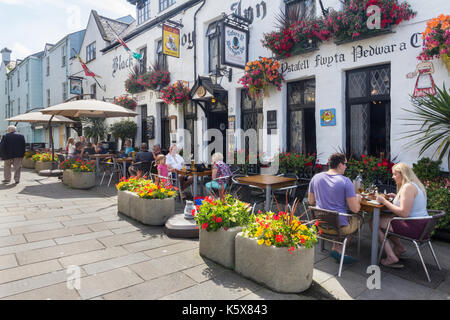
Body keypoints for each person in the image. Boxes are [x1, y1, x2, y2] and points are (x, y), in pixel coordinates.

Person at [308, 152, 362, 263]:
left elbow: (311, 201)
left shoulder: (316, 178)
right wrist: (358, 199)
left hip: (321, 225)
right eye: (345, 164)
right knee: (359, 219)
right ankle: (341, 249)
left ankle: (335, 248)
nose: (346, 167)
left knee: (338, 216)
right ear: (339, 165)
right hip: (339, 227)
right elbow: (355, 209)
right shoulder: (345, 181)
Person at [374, 163, 429, 268]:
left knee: (374, 222)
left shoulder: (407, 187)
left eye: (395, 174)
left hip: (415, 227)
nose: (393, 177)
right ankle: (399, 247)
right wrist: (397, 197)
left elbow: (404, 213)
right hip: (423, 226)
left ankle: (391, 256)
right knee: (385, 221)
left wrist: (384, 201)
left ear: (403, 174)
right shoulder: (414, 184)